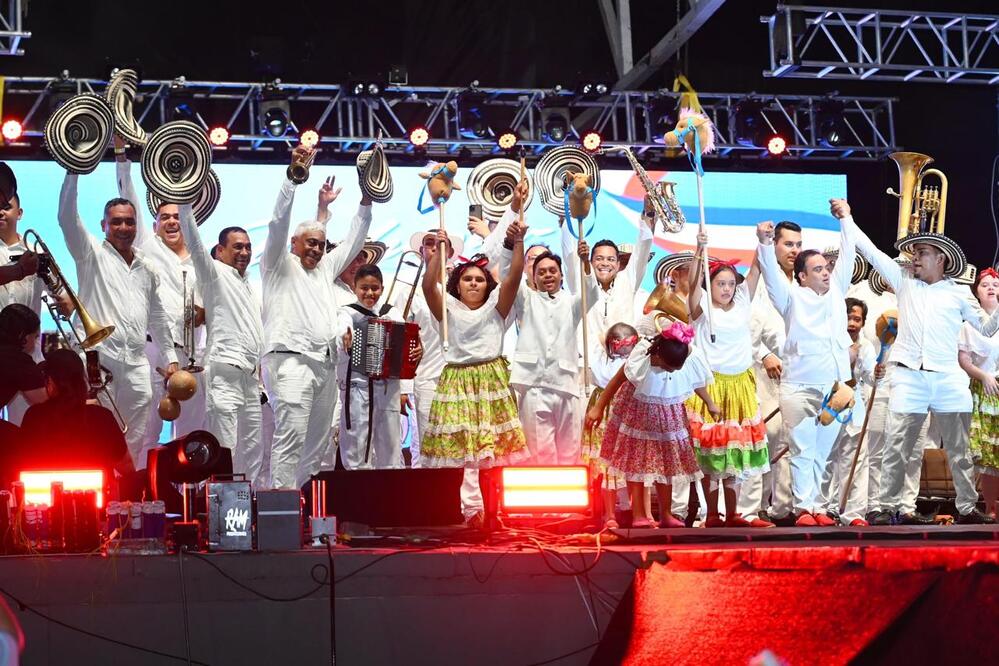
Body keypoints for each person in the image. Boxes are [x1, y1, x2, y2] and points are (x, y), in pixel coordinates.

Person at [841, 201, 998, 525]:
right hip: (910, 374)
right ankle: (885, 507)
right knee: (898, 443)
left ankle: (967, 508)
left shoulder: (958, 293)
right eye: (914, 252)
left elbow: (985, 328)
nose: (915, 256)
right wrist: (848, 219)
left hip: (948, 377)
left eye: (922, 252)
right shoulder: (903, 281)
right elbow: (870, 252)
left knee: (959, 446)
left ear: (940, 258)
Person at [261, 147, 373, 490]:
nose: (315, 249)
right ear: (294, 243)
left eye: (320, 245)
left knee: (319, 442)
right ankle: (279, 507)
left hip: (324, 365)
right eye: (309, 243)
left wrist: (367, 197)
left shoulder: (324, 269)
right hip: (290, 361)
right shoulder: (277, 265)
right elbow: (278, 222)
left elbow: (355, 238)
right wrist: (291, 179)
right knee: (291, 435)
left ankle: (301, 506)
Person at [57, 172, 178, 467]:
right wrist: (73, 171)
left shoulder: (147, 268)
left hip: (137, 364)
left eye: (129, 221)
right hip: (100, 360)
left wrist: (170, 355)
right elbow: (66, 218)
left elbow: (159, 316)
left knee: (135, 440)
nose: (124, 228)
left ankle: (126, 499)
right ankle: (96, 500)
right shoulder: (90, 254)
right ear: (104, 226)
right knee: (95, 434)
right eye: (116, 222)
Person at [420, 220, 530, 526]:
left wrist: (519, 241)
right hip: (456, 381)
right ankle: (462, 512)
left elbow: (516, 274)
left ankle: (493, 514)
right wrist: (438, 256)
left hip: (489, 380)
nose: (473, 284)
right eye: (467, 279)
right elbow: (429, 286)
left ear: (487, 285)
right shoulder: (448, 309)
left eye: (479, 279)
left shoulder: (497, 307)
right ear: (457, 283)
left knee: (490, 455)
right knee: (458, 452)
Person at [756, 203, 855, 527]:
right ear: (801, 276)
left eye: (826, 267)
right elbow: (771, 275)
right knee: (801, 449)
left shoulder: (837, 291)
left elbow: (849, 253)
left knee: (825, 452)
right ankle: (803, 509)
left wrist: (846, 220)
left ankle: (820, 508)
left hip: (836, 387)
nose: (825, 272)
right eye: (817, 269)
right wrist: (764, 242)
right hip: (798, 386)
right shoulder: (791, 298)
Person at [114, 139, 206, 464]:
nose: (171, 221)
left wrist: (204, 313)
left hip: (193, 354)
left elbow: (216, 305)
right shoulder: (148, 247)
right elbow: (129, 199)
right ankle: (139, 497)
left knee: (192, 432)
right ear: (154, 224)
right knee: (146, 429)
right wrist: (122, 158)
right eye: (164, 216)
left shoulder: (200, 258)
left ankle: (188, 497)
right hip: (153, 351)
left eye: (177, 215)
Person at [586, 320, 715, 528]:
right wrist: (598, 407)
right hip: (639, 411)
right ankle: (638, 514)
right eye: (667, 367)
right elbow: (618, 380)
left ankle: (666, 514)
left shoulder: (684, 352)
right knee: (635, 462)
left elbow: (694, 380)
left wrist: (710, 402)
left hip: (668, 412)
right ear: (658, 356)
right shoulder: (643, 355)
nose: (671, 372)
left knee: (666, 463)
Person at [685, 233, 771, 527]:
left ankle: (733, 513)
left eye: (731, 284)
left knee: (733, 452)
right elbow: (692, 287)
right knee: (711, 454)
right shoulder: (702, 310)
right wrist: (699, 249)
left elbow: (757, 269)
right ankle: (711, 514)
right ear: (712, 285)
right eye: (721, 283)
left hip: (739, 387)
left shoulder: (743, 301)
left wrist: (763, 240)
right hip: (711, 387)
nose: (727, 289)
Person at [178, 203, 264, 487]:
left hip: (251, 378)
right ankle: (223, 509)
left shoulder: (248, 283)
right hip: (225, 372)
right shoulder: (213, 273)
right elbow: (193, 240)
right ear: (220, 251)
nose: (244, 252)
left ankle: (245, 503)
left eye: (248, 247)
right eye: (237, 247)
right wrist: (185, 202)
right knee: (225, 445)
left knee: (253, 447)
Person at [510, 242, 598, 465]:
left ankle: (567, 500)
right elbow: (507, 276)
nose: (547, 275)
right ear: (533, 277)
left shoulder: (571, 303)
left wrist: (585, 261)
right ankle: (541, 498)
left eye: (552, 271)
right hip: (534, 385)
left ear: (560, 275)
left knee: (570, 451)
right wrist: (517, 242)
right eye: (541, 272)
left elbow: (592, 292)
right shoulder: (526, 299)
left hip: (565, 384)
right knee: (541, 453)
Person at [740, 221, 801, 525]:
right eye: (788, 244)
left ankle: (783, 507)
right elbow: (746, 330)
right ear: (774, 245)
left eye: (797, 245)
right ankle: (752, 508)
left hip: (795, 373)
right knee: (762, 438)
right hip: (763, 373)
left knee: (789, 442)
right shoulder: (761, 282)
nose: (794, 250)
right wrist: (764, 356)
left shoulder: (802, 282)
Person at [336, 263, 421, 469]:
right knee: (357, 444)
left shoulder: (391, 313)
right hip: (357, 388)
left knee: (391, 446)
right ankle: (358, 494)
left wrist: (418, 348)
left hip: (388, 389)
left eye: (375, 288)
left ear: (382, 288)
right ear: (355, 288)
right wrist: (345, 337)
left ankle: (388, 495)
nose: (370, 293)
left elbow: (408, 341)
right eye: (364, 288)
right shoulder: (347, 312)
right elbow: (342, 331)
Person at [15, 349, 132, 482]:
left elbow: (22, 464)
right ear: (82, 381)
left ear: (51, 382)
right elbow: (126, 466)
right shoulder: (102, 417)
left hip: (43, 500)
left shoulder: (33, 416)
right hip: (97, 499)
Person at [816, 297, 879, 526]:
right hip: (830, 401)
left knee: (857, 460)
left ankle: (853, 514)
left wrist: (878, 371)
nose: (852, 323)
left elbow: (871, 376)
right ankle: (819, 509)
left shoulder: (867, 347)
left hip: (855, 403)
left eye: (857, 319)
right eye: (848, 318)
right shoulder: (827, 341)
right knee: (824, 458)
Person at [583, 322, 638, 528]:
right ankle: (607, 513)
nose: (625, 351)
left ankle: (630, 509)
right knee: (605, 465)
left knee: (630, 465)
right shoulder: (600, 359)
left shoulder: (637, 361)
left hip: (627, 411)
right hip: (606, 413)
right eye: (621, 346)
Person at [958, 268, 999, 518]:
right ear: (977, 292)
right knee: (986, 455)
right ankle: (990, 506)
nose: (991, 288)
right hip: (983, 390)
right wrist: (984, 376)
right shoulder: (970, 324)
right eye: (985, 285)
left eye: (995, 284)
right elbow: (964, 359)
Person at [0, 304, 46, 412]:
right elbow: (44, 401)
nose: (35, 342)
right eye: (35, 336)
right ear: (23, 335)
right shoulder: (18, 361)